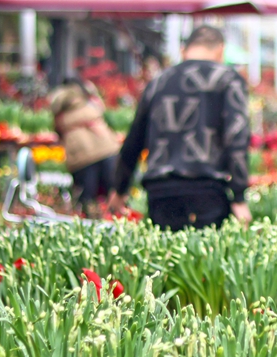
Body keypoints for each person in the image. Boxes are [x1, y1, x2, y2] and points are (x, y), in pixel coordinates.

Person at [108, 25, 252, 231]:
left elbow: (135, 139)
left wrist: (120, 189)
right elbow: (236, 137)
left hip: (161, 191)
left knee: (166, 258)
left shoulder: (159, 81)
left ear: (184, 50)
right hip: (207, 188)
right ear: (220, 50)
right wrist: (239, 196)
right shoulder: (228, 80)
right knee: (203, 259)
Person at [48, 74, 120, 218]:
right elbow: (101, 110)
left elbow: (57, 127)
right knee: (112, 194)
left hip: (81, 155)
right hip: (106, 148)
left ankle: (88, 230)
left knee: (85, 201)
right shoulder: (89, 100)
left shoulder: (59, 105)